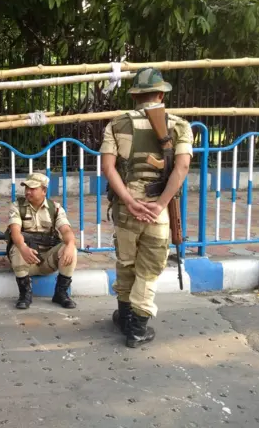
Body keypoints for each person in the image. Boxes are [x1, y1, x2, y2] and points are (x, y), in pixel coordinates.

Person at [100, 67, 193, 348]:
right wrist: (161, 203)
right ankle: (137, 328)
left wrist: (129, 200)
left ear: (135, 96)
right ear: (161, 93)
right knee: (149, 268)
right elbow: (183, 166)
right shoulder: (179, 125)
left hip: (126, 206)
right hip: (158, 212)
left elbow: (107, 167)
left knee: (126, 261)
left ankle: (125, 316)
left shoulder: (116, 124)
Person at [6, 172, 78, 310]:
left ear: (44, 190)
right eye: (26, 188)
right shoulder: (17, 206)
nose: (28, 191)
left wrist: (70, 244)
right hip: (27, 261)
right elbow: (15, 232)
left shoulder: (55, 208)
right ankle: (25, 294)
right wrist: (23, 247)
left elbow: (66, 231)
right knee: (17, 247)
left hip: (47, 262)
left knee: (71, 249)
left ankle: (61, 293)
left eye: (32, 188)